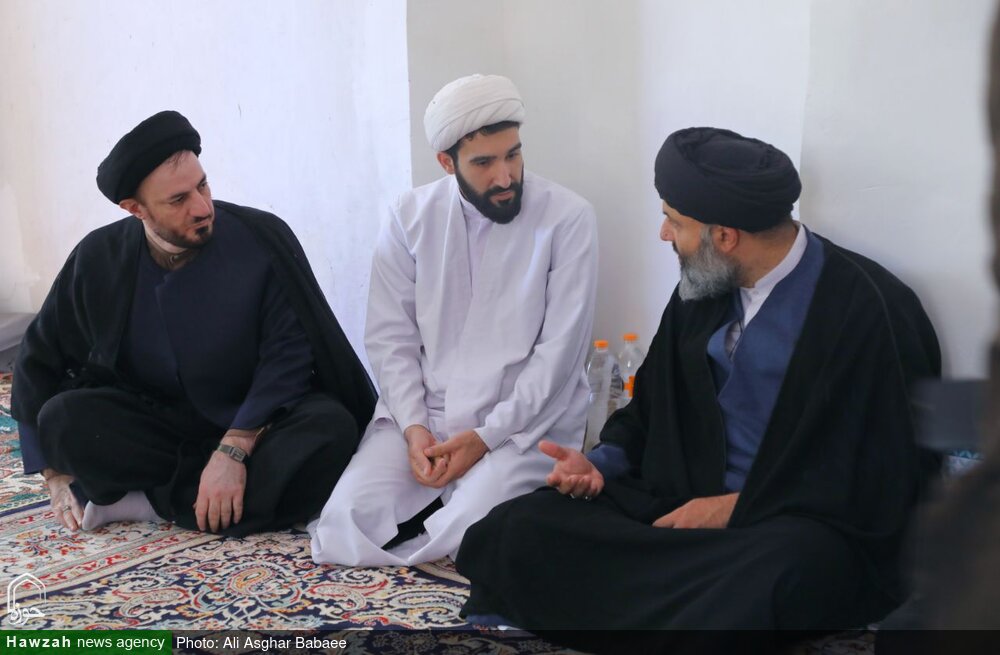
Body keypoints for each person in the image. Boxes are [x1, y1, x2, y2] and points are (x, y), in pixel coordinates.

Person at [455, 127, 941, 649]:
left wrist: (735, 508)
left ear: (725, 236)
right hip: (677, 501)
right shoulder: (705, 285)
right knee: (518, 525)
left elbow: (885, 476)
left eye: (675, 221)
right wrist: (600, 465)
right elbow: (649, 412)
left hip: (788, 525)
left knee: (776, 577)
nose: (664, 233)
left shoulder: (870, 308)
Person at [12, 110, 375, 537]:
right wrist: (54, 474)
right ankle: (216, 501)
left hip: (256, 420)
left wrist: (235, 449)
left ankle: (145, 502)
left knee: (330, 430)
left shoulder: (260, 238)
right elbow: (40, 357)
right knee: (64, 420)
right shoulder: (99, 257)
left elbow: (289, 354)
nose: (202, 208)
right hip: (158, 428)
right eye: (178, 200)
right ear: (135, 209)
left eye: (202, 185)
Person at [308, 74, 598, 566]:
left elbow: (559, 357)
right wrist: (413, 427)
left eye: (513, 155)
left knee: (471, 534)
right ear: (447, 163)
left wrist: (485, 438)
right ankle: (424, 503)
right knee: (342, 523)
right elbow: (390, 337)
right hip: (429, 415)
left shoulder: (568, 219)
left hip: (520, 426)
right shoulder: (409, 216)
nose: (505, 176)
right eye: (484, 162)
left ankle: (441, 511)